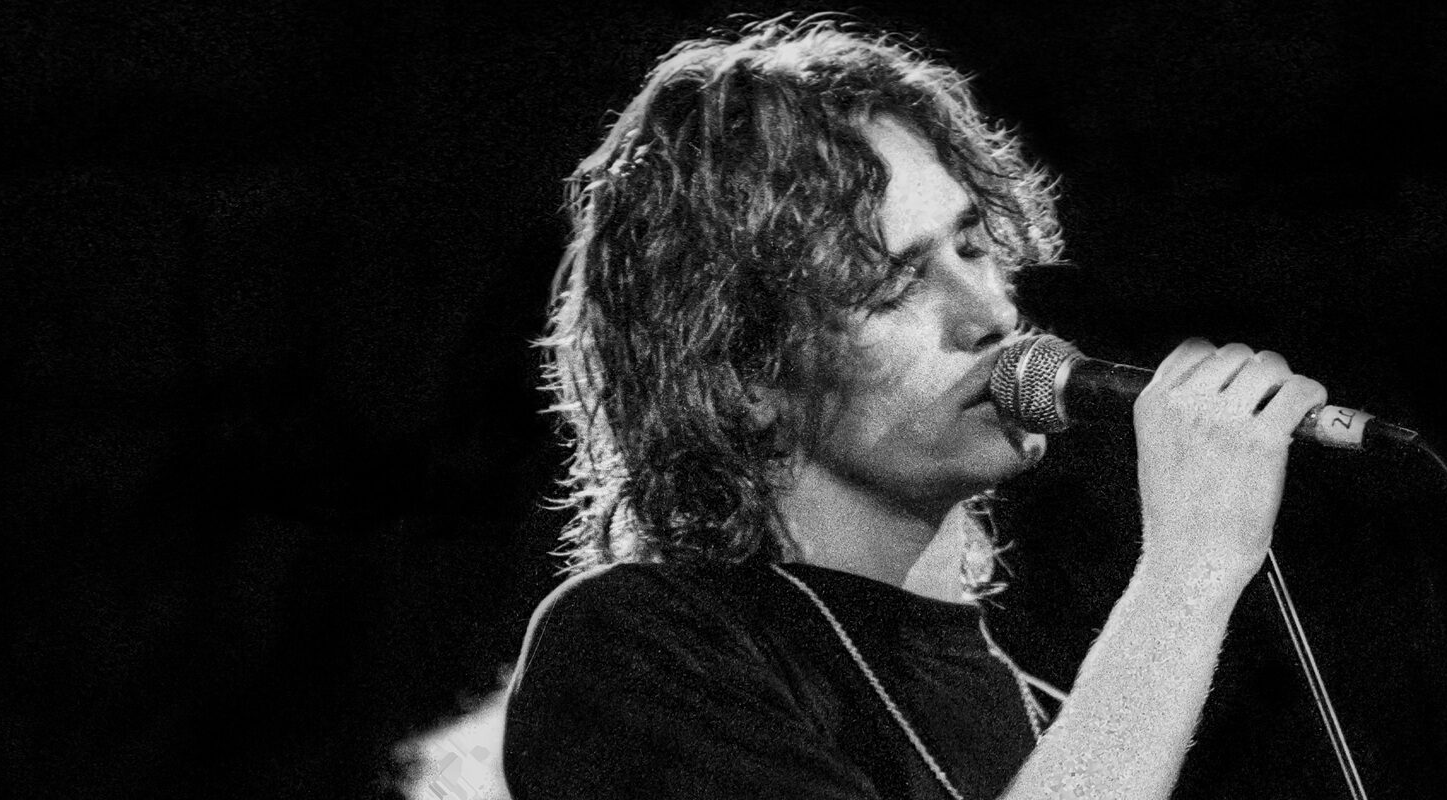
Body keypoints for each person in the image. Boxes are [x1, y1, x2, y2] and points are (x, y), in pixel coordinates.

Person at [501, 17, 1327, 800]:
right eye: (895, 285)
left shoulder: (1062, 725)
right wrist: (1185, 575)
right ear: (742, 373)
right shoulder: (633, 651)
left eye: (972, 246)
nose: (991, 312)